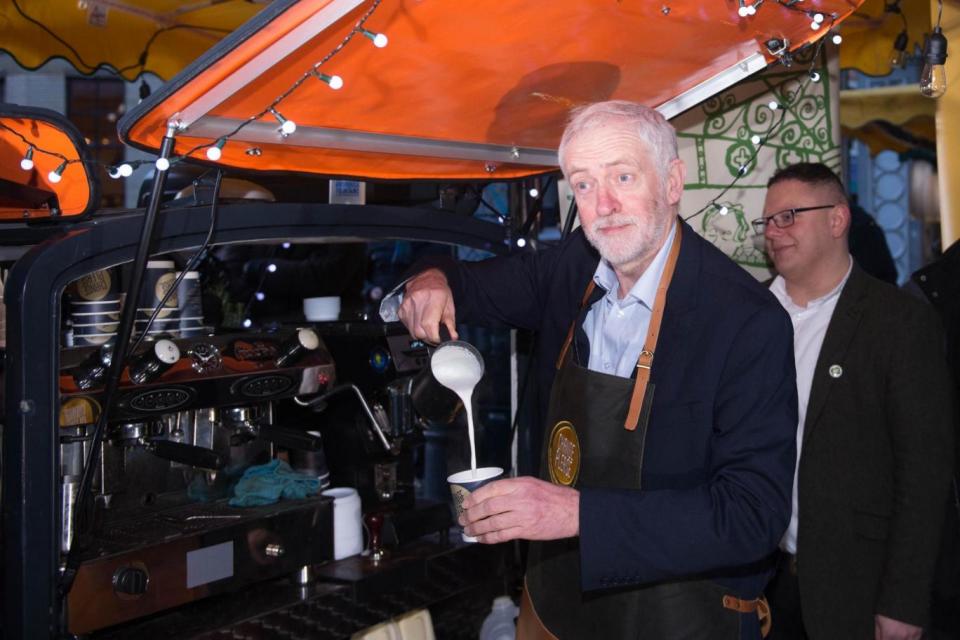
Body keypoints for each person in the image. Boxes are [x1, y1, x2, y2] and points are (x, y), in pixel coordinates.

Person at [391, 100, 798, 639]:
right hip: (558, 605)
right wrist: (429, 281)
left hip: (684, 616)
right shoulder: (569, 270)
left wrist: (577, 514)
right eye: (583, 185)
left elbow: (752, 517)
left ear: (673, 182)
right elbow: (458, 282)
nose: (603, 205)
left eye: (623, 176)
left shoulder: (745, 320)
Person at [755, 163, 955, 640]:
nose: (773, 232)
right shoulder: (749, 315)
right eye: (767, 222)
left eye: (789, 216)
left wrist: (903, 602)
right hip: (760, 583)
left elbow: (924, 474)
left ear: (837, 220)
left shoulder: (899, 323)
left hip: (857, 589)